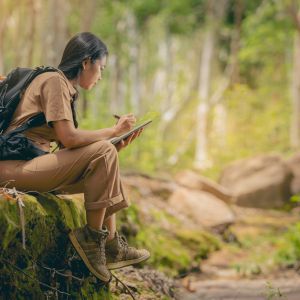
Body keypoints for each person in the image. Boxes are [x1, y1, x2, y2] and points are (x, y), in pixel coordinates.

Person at [0, 32, 150, 282]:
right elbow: (69, 139)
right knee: (104, 150)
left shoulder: (64, 88)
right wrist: (112, 132)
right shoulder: (54, 81)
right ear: (86, 62)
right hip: (14, 167)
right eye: (100, 68)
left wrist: (116, 145)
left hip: (32, 164)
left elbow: (72, 149)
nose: (101, 76)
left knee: (106, 157)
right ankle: (91, 240)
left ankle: (111, 246)